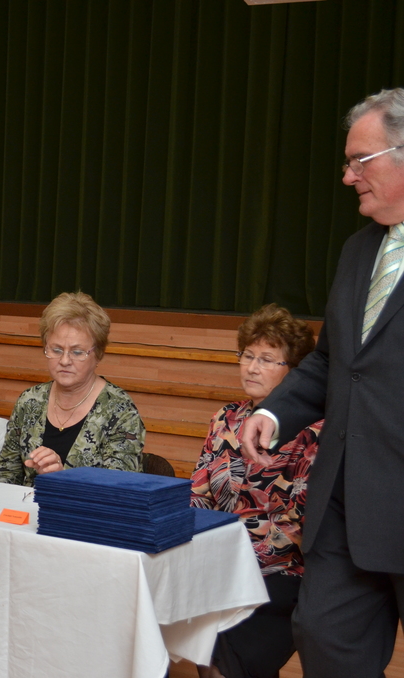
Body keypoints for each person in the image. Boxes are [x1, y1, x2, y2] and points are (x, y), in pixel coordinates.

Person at [239, 88, 404, 677]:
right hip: (344, 501)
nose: (347, 176)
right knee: (324, 635)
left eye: (360, 160)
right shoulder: (358, 250)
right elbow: (333, 360)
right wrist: (274, 412)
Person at [190, 304, 321, 678]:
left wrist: (232, 560)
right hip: (216, 563)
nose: (251, 367)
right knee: (193, 638)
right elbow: (198, 494)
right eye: (247, 356)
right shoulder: (225, 418)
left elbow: (297, 525)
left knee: (225, 660)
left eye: (266, 359)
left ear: (295, 372)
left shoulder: (312, 433)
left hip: (280, 575)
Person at [0, 291, 144, 486]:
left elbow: (118, 490)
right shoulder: (30, 401)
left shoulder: (120, 410)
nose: (64, 361)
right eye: (56, 350)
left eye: (77, 352)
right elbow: (6, 476)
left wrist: (63, 477)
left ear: (98, 354)